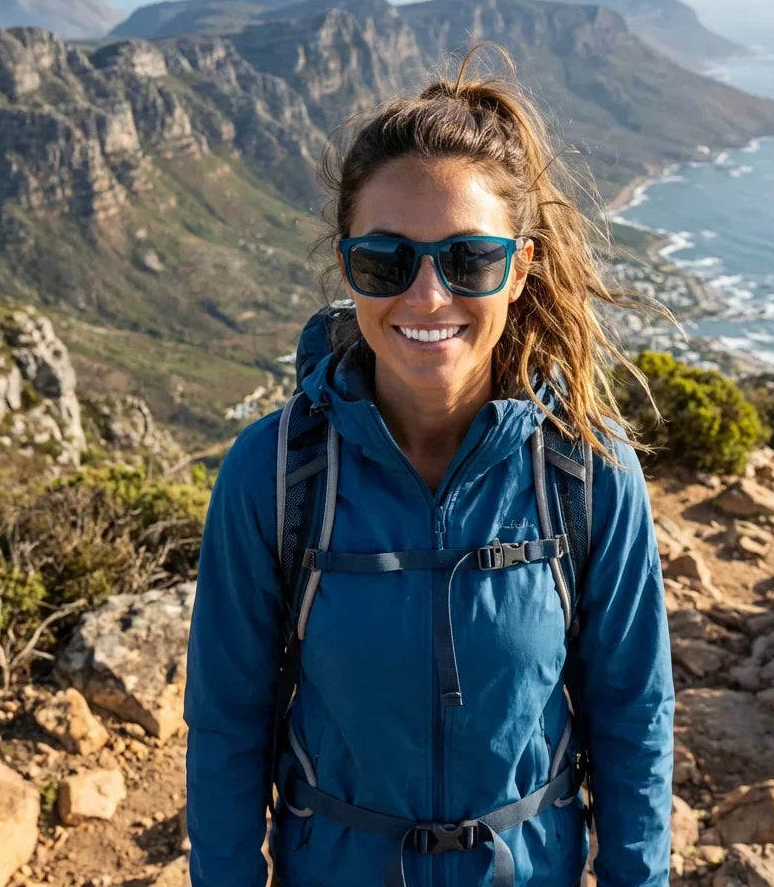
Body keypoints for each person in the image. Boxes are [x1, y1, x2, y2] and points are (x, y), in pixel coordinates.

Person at [185, 48, 675, 887]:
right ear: (347, 265)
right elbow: (227, 728)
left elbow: (634, 718)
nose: (426, 296)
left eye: (469, 259)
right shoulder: (273, 475)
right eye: (386, 260)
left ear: (520, 269)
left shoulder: (588, 471)